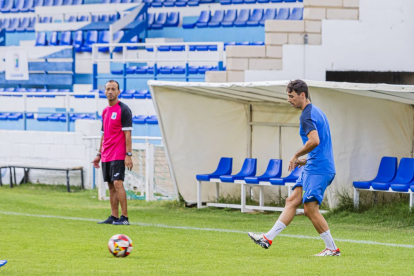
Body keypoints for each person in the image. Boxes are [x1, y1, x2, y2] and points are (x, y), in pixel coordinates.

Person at [248, 80, 340, 256]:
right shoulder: (317, 112)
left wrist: (296, 155)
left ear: (302, 95)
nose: (289, 100)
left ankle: (332, 249)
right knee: (292, 200)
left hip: (319, 169)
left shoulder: (306, 115)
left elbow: (315, 141)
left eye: (291, 96)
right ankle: (267, 238)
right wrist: (304, 161)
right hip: (314, 166)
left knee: (310, 209)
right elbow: (321, 147)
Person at [93, 80, 133, 226]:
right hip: (106, 154)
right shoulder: (105, 111)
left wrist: (128, 155)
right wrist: (99, 154)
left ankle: (125, 217)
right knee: (110, 185)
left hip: (118, 153)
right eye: (108, 89)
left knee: (118, 183)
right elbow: (104, 134)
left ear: (118, 91)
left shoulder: (124, 110)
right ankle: (114, 216)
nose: (110, 91)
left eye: (113, 89)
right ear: (105, 92)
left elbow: (128, 134)